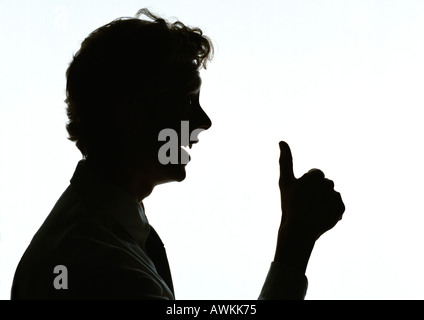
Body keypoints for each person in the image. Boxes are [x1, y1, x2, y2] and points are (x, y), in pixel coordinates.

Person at [11, 8, 345, 300]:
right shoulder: (102, 264)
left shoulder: (96, 238)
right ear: (133, 116)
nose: (204, 122)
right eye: (186, 102)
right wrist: (295, 243)